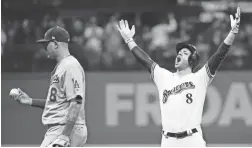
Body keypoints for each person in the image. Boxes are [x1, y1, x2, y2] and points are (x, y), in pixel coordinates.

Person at [116, 7, 241, 147]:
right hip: (168, 141)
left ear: (193, 60)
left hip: (192, 140)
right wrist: (129, 40)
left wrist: (232, 32)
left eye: (185, 53)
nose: (179, 54)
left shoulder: (200, 77)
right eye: (179, 52)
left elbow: (218, 56)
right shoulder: (163, 76)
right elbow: (145, 60)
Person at [9, 26, 87, 147]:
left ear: (55, 44)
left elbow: (76, 102)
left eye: (47, 44)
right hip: (60, 129)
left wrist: (65, 135)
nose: (44, 48)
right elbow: (58, 103)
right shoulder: (63, 65)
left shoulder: (70, 66)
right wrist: (30, 101)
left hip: (64, 129)